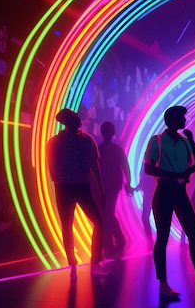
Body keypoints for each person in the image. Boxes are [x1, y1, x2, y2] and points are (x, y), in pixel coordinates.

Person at [143, 106, 195, 297]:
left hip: (179, 191)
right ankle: (163, 285)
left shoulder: (185, 141)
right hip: (164, 190)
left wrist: (191, 146)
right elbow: (148, 168)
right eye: (182, 117)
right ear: (172, 120)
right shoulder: (157, 141)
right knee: (162, 238)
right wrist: (173, 174)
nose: (185, 119)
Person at [47, 108, 109, 280]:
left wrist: (101, 187)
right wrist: (100, 187)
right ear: (68, 122)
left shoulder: (84, 140)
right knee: (68, 224)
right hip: (69, 186)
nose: (78, 118)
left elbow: (93, 165)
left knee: (94, 223)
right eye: (74, 117)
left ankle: (92, 263)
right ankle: (73, 263)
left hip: (75, 186)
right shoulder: (57, 142)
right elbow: (52, 165)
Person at [98, 121, 134, 258]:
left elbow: (125, 166)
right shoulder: (106, 149)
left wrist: (128, 184)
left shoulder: (103, 149)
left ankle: (109, 244)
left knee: (107, 214)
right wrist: (127, 183)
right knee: (107, 214)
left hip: (111, 186)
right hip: (106, 186)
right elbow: (125, 167)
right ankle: (118, 237)